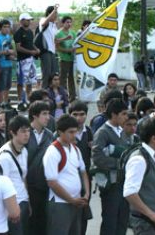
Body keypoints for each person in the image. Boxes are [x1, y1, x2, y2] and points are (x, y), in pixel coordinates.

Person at [124, 118, 155, 234]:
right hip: (144, 223)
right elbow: (129, 193)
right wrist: (151, 215)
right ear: (154, 139)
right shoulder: (139, 160)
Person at [44, 114, 90, 235]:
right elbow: (52, 183)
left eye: (75, 131)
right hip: (60, 204)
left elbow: (83, 171)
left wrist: (87, 193)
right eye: (70, 132)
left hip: (76, 202)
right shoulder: (52, 151)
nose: (74, 135)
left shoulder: (75, 149)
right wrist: (71, 200)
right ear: (60, 132)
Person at [91, 98, 131, 235]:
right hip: (111, 184)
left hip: (124, 183)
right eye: (124, 114)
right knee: (110, 222)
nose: (126, 117)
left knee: (122, 221)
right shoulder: (103, 132)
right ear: (114, 114)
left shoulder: (122, 131)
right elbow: (97, 157)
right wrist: (119, 164)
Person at [0, 115, 31, 235]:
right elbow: (0, 186)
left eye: (28, 130)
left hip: (24, 201)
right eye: (23, 131)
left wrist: (29, 201)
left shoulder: (24, 151)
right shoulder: (4, 156)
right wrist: (10, 210)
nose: (27, 134)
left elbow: (23, 178)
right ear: (12, 132)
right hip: (13, 206)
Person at [25, 101, 54, 235]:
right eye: (44, 114)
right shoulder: (24, 134)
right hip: (27, 187)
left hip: (44, 187)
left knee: (43, 225)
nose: (48, 117)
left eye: (48, 113)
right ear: (34, 116)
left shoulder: (50, 135)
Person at [69, 100, 94, 234]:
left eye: (82, 114)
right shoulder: (62, 134)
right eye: (75, 114)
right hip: (69, 180)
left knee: (83, 213)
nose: (79, 118)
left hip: (85, 179)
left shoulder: (89, 132)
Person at [14, 13, 39, 111]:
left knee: (30, 81)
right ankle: (20, 101)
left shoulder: (30, 32)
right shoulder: (18, 33)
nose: (29, 21)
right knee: (21, 82)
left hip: (31, 60)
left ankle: (28, 100)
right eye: (27, 20)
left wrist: (36, 49)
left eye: (29, 20)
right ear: (21, 21)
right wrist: (31, 52)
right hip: (22, 61)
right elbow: (18, 47)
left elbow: (31, 43)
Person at [0, 20, 16, 107]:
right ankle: (1, 103)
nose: (7, 29)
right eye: (5, 27)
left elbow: (11, 50)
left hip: (9, 63)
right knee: (2, 86)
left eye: (8, 27)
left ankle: (6, 102)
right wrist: (6, 52)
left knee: (8, 85)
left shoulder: (8, 37)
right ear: (0, 28)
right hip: (1, 65)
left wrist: (11, 55)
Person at [55, 16, 77, 101]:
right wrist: (68, 50)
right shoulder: (59, 33)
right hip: (64, 59)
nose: (69, 24)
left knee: (72, 78)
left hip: (72, 59)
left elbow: (76, 43)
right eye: (67, 22)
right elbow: (57, 48)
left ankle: (73, 96)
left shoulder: (73, 33)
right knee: (63, 79)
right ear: (63, 23)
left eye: (70, 22)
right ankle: (63, 96)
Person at [39, 5, 59, 89]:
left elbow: (55, 40)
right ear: (49, 13)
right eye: (55, 14)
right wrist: (54, 10)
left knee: (53, 74)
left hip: (53, 52)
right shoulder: (43, 20)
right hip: (45, 51)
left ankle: (51, 94)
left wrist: (65, 38)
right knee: (46, 74)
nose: (56, 15)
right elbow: (44, 24)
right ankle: (43, 94)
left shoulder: (54, 26)